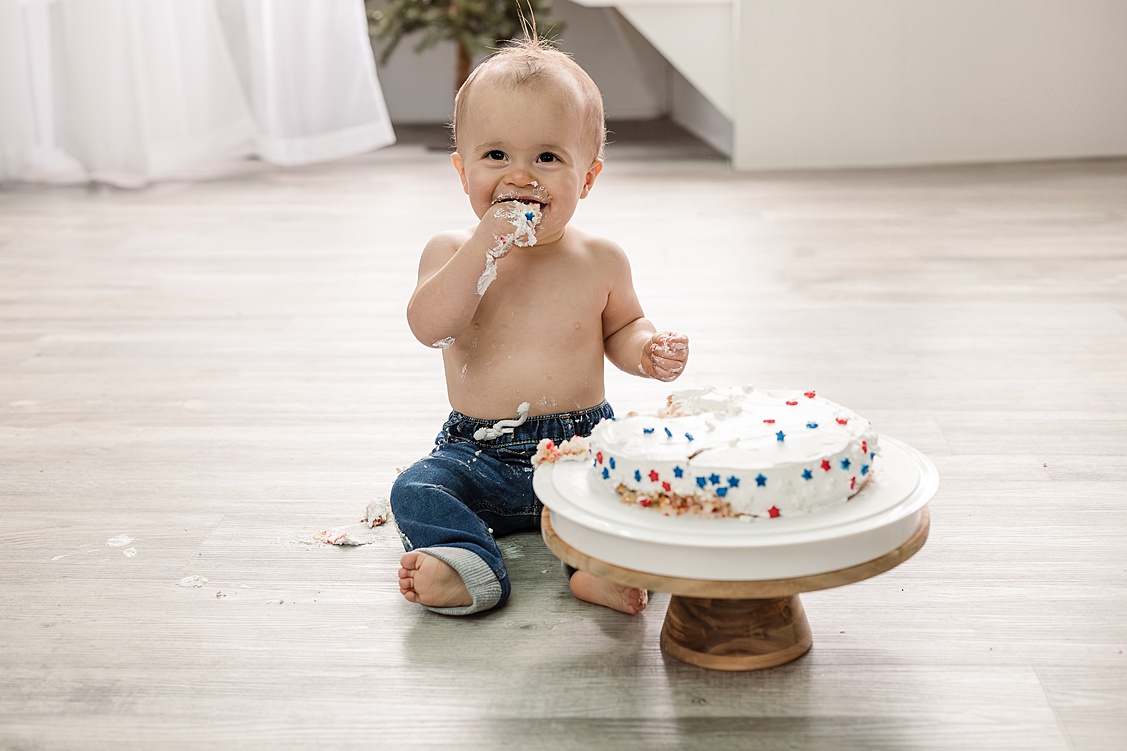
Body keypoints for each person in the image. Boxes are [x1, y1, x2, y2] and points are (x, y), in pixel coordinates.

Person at [391, 34, 689, 617]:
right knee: (416, 489)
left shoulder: (599, 258)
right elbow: (431, 328)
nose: (521, 176)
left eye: (547, 158)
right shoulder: (452, 251)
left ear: (589, 176)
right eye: (496, 156)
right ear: (461, 170)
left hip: (580, 444)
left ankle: (597, 571)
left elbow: (622, 328)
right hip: (478, 452)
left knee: (649, 481)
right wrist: (484, 247)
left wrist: (646, 348)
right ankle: (467, 562)